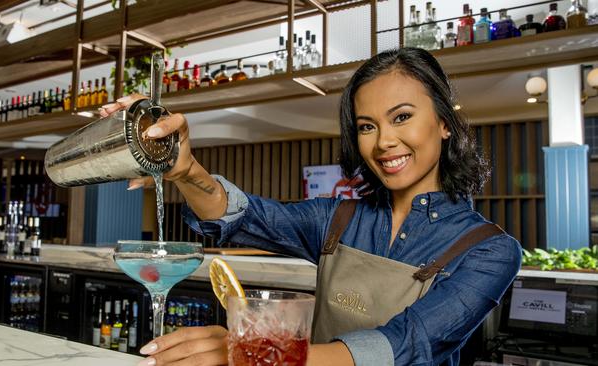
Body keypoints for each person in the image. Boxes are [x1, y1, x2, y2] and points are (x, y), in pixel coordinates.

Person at [100, 47, 522, 366]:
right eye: (367, 127)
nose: (384, 142)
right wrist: (186, 170)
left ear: (444, 123)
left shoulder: (489, 250)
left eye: (402, 117)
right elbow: (243, 216)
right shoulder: (338, 218)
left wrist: (256, 354)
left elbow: (409, 342)